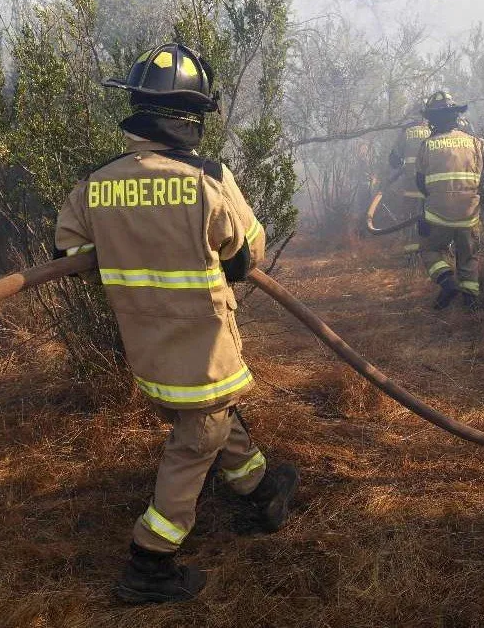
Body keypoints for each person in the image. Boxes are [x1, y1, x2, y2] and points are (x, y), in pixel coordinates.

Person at [52, 43, 300, 604]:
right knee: (196, 442)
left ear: (137, 110)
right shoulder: (205, 179)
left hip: (148, 355)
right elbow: (246, 254)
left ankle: (261, 491)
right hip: (204, 350)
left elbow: (68, 252)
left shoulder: (98, 183)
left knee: (210, 420)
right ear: (190, 117)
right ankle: (150, 562)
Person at [414, 91, 484, 310]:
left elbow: (420, 183)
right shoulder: (476, 143)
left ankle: (447, 282)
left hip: (437, 215)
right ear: (456, 116)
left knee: (429, 250)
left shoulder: (427, 145)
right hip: (469, 215)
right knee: (468, 258)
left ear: (432, 120)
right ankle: (471, 303)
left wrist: (426, 211)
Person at [385, 104, 433, 257]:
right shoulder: (435, 130)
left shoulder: (406, 132)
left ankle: (409, 256)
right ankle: (429, 253)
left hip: (411, 186)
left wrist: (401, 166)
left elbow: (393, 159)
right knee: (430, 218)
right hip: (429, 186)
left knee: (409, 218)